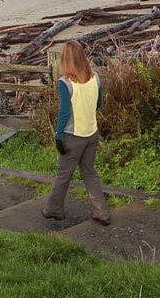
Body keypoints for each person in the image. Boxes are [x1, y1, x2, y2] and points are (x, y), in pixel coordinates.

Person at [43, 40, 110, 225]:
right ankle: (101, 212)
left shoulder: (65, 83)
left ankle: (54, 209)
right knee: (89, 173)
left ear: (65, 60)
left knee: (64, 174)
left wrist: (58, 136)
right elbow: (98, 104)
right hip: (91, 133)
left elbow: (64, 111)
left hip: (73, 136)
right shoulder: (95, 77)